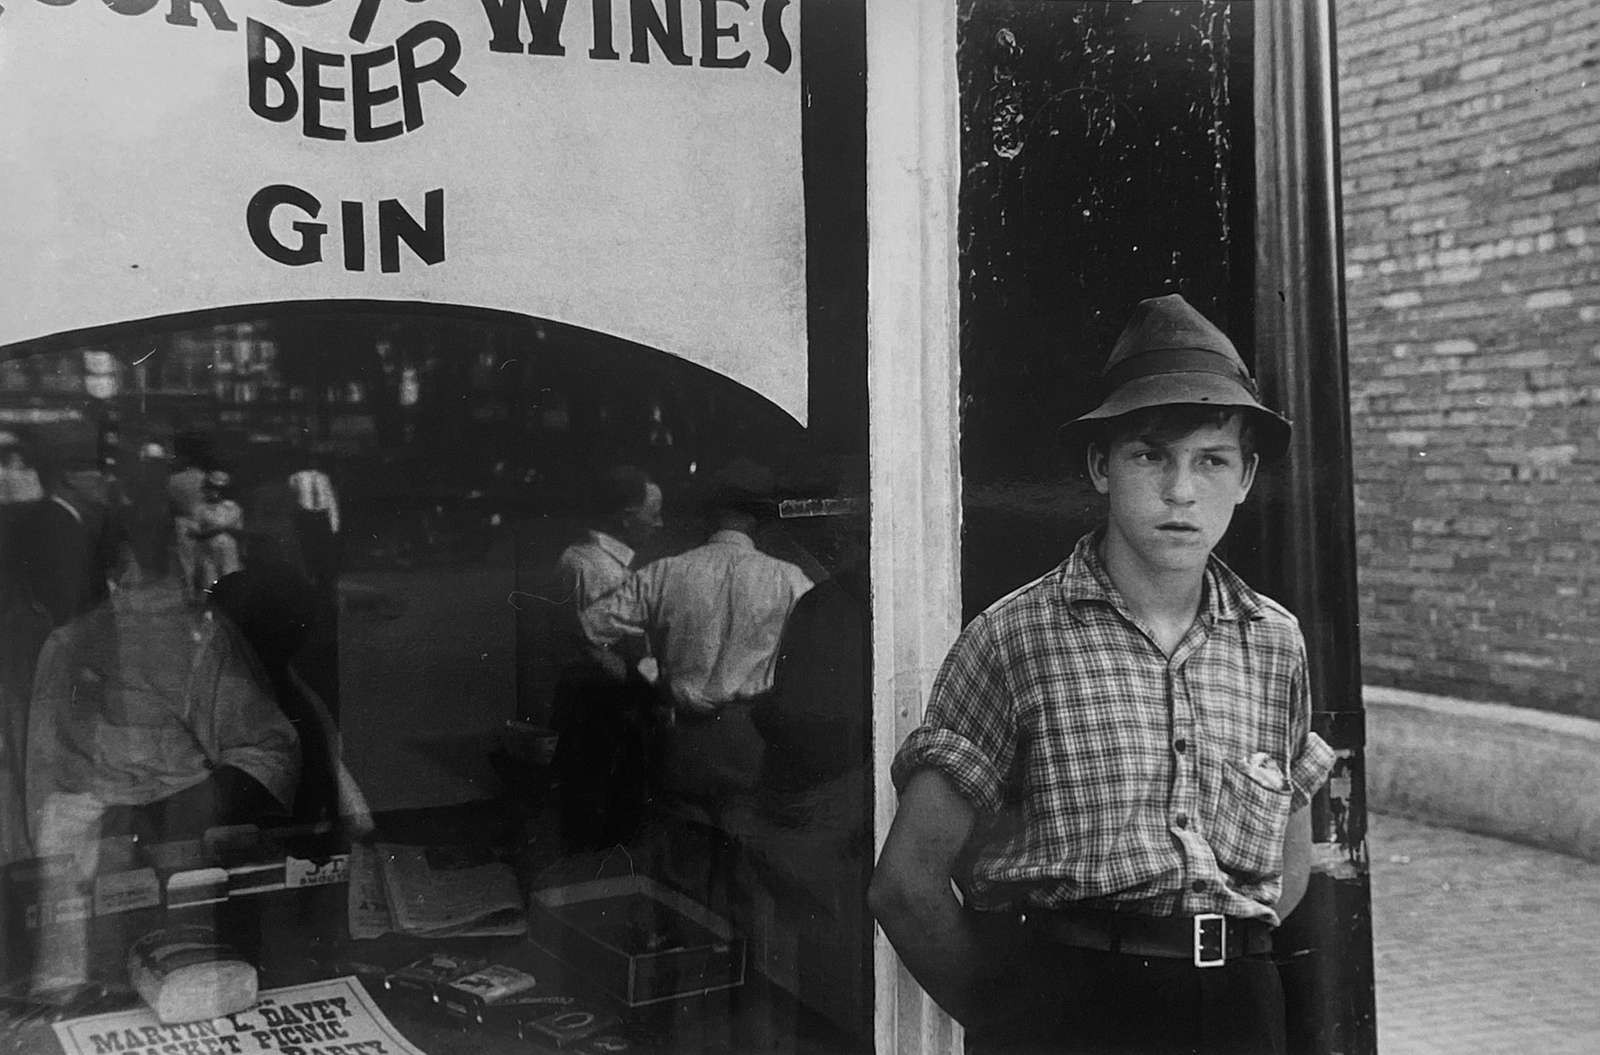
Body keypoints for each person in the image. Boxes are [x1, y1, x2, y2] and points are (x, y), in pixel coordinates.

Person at [869, 294, 1336, 1055]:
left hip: (1240, 1013)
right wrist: (1015, 1022)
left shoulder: (1274, 641)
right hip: (1076, 1011)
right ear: (1100, 465)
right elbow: (905, 884)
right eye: (1150, 454)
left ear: (1247, 476)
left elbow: (1288, 859)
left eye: (1211, 460)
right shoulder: (1017, 636)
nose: (1181, 490)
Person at [582, 458, 814, 807]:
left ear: (708, 515)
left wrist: (640, 682)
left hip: (681, 741)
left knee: (681, 846)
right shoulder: (791, 581)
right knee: (744, 844)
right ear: (759, 521)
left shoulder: (664, 573)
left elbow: (588, 628)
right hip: (752, 739)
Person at [546, 465, 664, 849]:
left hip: (597, 700)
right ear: (627, 518)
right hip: (604, 705)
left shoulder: (586, 559)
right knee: (605, 808)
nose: (659, 524)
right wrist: (643, 683)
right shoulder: (596, 569)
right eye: (653, 514)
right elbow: (593, 645)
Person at [288, 453, 341, 594]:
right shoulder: (296, 477)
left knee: (323, 550)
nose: (313, 463)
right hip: (306, 517)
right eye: (310, 460)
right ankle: (308, 580)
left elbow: (330, 501)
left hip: (321, 517)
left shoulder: (324, 478)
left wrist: (334, 525)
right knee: (307, 549)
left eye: (315, 460)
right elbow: (293, 498)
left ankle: (323, 582)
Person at [191, 469, 244, 593]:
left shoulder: (232, 507)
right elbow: (194, 531)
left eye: (217, 489)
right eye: (210, 488)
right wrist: (214, 531)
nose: (213, 493)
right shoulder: (200, 509)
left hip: (228, 548)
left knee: (230, 575)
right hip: (207, 549)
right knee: (210, 580)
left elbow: (237, 530)